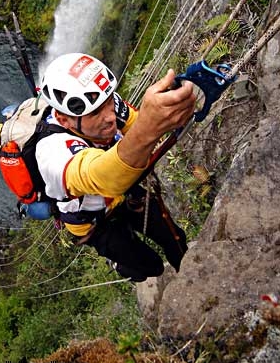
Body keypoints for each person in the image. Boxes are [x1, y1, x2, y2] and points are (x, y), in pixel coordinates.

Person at [36, 53, 196, 282]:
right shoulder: (51, 151)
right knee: (148, 268)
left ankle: (192, 275)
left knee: (175, 239)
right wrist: (149, 129)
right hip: (93, 221)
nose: (110, 117)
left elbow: (134, 124)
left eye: (108, 102)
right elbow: (102, 177)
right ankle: (117, 261)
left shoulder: (105, 103)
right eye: (94, 113)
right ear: (64, 120)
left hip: (125, 194)